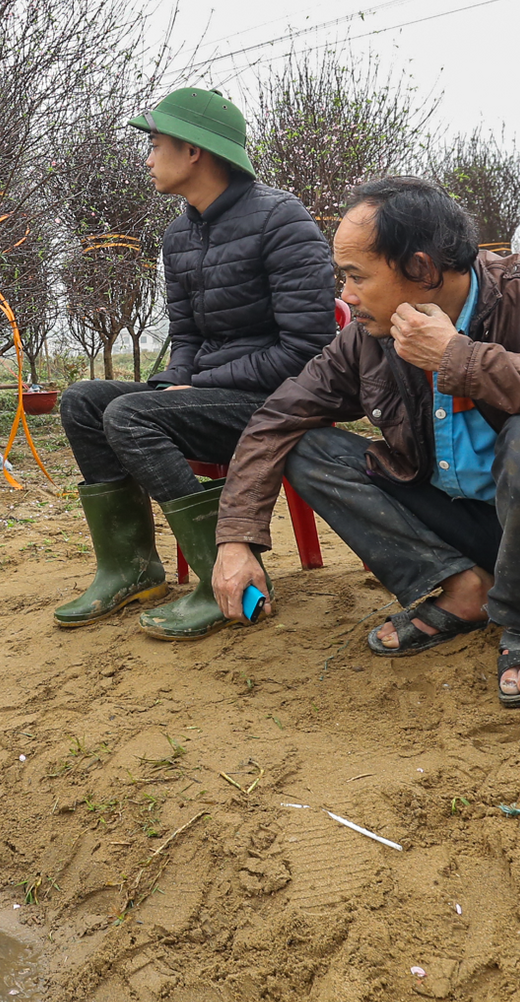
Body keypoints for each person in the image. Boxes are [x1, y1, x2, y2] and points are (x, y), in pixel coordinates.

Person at [211, 177, 520, 707]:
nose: (347, 296)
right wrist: (236, 540)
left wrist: (460, 360)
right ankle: (465, 590)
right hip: (481, 531)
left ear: (422, 269)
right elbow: (276, 418)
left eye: (357, 276)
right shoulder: (367, 337)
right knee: (309, 447)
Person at [53, 87, 338, 639]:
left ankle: (226, 578)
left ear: (194, 152)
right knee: (84, 401)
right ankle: (130, 569)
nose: (147, 157)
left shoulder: (283, 220)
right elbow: (185, 336)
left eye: (156, 144)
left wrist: (198, 384)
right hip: (213, 392)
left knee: (130, 415)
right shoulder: (179, 232)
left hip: (278, 401)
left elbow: (307, 349)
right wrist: (174, 383)